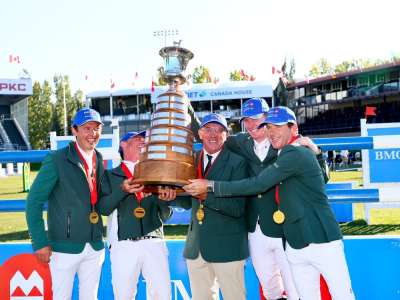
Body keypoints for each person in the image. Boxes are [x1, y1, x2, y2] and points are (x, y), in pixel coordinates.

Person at [184, 106, 355, 300]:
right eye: (247, 120)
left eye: (275, 126)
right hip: (287, 237)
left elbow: (261, 183)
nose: (255, 125)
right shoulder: (242, 142)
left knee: (329, 293)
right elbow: (212, 135)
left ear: (293, 128)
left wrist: (211, 186)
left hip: (303, 233)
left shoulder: (296, 151)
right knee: (286, 290)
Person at [161, 113, 249, 300]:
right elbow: (187, 201)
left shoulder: (238, 162)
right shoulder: (190, 160)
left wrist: (206, 195)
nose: (213, 135)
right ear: (200, 133)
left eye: (219, 130)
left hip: (228, 247)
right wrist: (171, 197)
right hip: (196, 246)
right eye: (208, 129)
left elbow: (238, 208)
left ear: (226, 135)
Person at [26, 108, 106, 300]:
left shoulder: (99, 158)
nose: (92, 134)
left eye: (96, 129)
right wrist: (39, 242)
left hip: (94, 245)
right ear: (75, 131)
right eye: (87, 128)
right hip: (63, 247)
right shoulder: (56, 159)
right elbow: (33, 202)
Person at [98, 131, 172, 300]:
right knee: (124, 296)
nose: (142, 141)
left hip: (155, 241)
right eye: (137, 138)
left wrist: (164, 200)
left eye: (144, 139)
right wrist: (122, 190)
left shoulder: (156, 174)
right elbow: (103, 208)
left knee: (163, 295)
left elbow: (166, 216)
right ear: (123, 144)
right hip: (123, 244)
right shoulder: (109, 176)